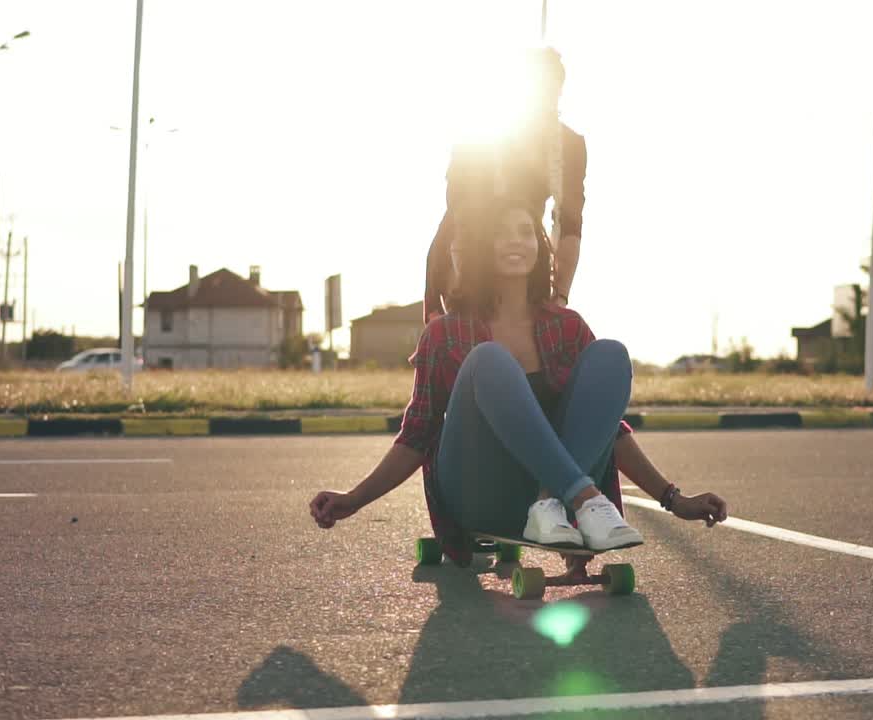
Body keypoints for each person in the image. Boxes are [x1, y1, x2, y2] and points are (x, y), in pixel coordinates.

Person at [311, 196, 728, 563]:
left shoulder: (567, 328)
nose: (516, 240)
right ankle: (581, 499)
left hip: (551, 510)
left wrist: (673, 500)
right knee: (489, 361)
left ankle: (550, 501)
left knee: (611, 355)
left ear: (538, 246)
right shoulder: (445, 333)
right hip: (479, 492)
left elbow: (607, 431)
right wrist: (354, 499)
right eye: (500, 233)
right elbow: (416, 436)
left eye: (526, 231)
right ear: (480, 247)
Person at [424, 47, 587, 322]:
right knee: (461, 344)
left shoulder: (568, 145)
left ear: (559, 91)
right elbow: (460, 216)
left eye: (549, 91)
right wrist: (462, 295)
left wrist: (559, 298)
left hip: (522, 250)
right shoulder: (477, 137)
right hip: (463, 251)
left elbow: (570, 225)